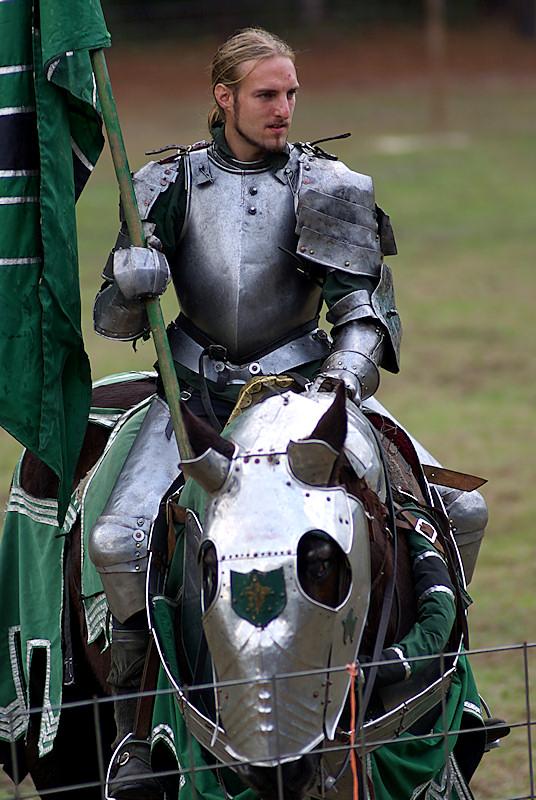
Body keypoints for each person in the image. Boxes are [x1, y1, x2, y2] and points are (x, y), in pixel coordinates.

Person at [89, 27, 488, 799]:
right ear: (224, 97)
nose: (283, 109)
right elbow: (115, 321)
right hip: (194, 399)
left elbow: (365, 313)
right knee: (117, 538)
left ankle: (429, 694)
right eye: (266, 94)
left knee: (462, 509)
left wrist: (338, 385)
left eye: (290, 94)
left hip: (308, 394)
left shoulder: (326, 184)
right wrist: (129, 284)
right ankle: (135, 731)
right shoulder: (165, 185)